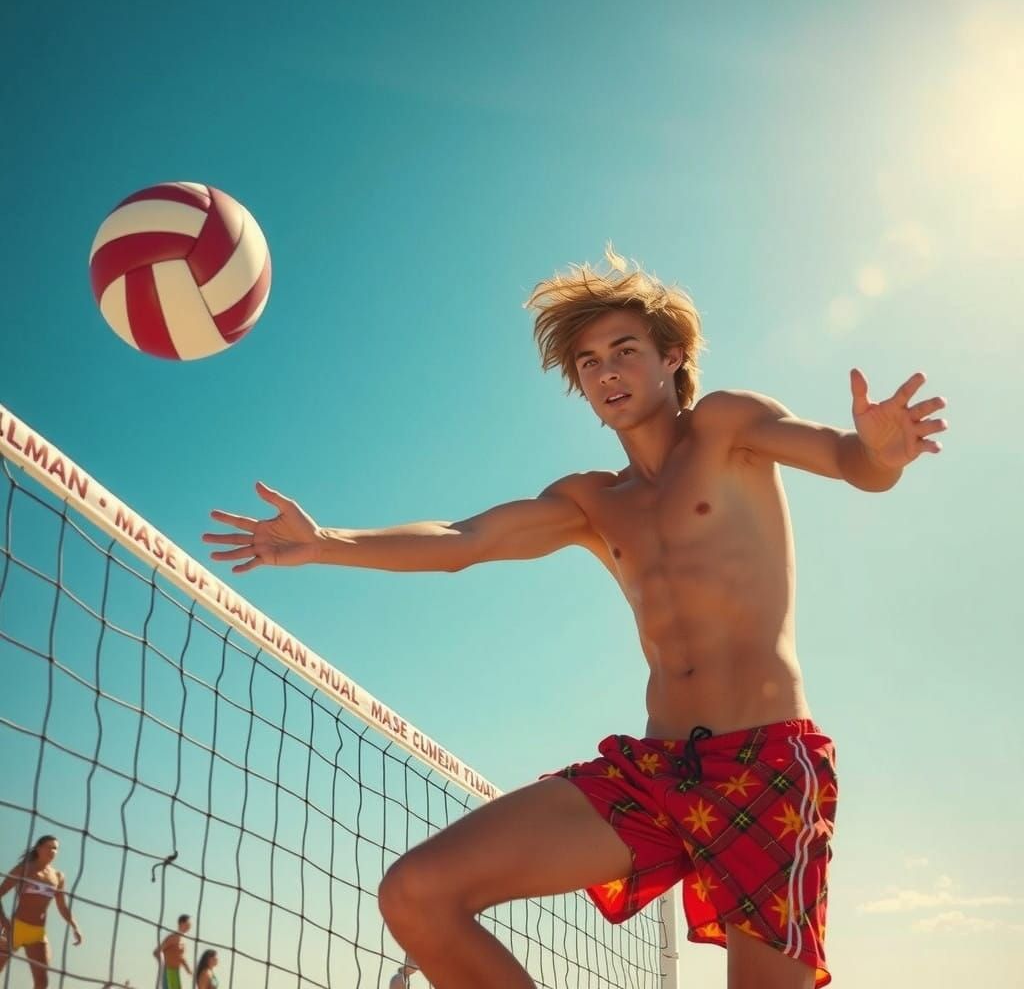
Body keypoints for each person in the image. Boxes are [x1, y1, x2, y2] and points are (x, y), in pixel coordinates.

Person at [204, 250, 947, 989]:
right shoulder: (593, 501)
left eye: (625, 351)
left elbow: (849, 460)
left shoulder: (727, 427)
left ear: (672, 358)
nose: (607, 372)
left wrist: (881, 454)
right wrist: (326, 543)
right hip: (656, 769)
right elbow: (463, 540)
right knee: (417, 891)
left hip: (765, 766)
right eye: (589, 363)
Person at [0, 835, 83, 988]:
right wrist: (3, 920)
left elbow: (62, 906)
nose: (52, 851)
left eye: (55, 848)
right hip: (15, 928)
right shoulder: (24, 868)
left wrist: (74, 926)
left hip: (37, 933)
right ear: (38, 848)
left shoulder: (58, 876)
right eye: (48, 847)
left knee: (42, 983)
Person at [154, 914, 192, 989]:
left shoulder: (183, 940)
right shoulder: (173, 938)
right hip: (168, 971)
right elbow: (156, 952)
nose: (190, 926)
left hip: (176, 971)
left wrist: (188, 969)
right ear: (181, 923)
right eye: (188, 924)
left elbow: (180, 957)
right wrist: (163, 966)